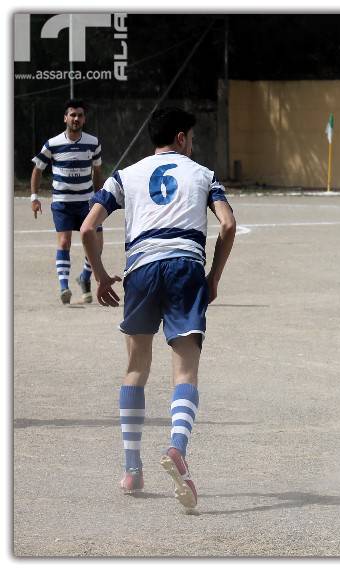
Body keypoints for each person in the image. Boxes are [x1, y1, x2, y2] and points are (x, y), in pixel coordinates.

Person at [80, 107, 236, 511]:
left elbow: (87, 226)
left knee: (136, 368)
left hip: (141, 269)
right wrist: (213, 277)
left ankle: (132, 468)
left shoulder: (125, 175)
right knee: (184, 369)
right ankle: (177, 447)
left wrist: (100, 276)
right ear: (182, 138)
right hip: (185, 265)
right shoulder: (203, 174)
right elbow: (228, 225)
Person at [28, 99, 104, 304]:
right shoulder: (52, 144)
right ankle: (64, 287)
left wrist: (101, 197)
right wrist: (34, 197)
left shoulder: (93, 142)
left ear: (84, 119)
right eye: (72, 115)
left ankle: (84, 278)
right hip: (62, 202)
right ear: (65, 118)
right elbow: (37, 170)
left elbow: (97, 171)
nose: (76, 118)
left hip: (86, 202)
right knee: (64, 242)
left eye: (80, 115)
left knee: (96, 244)